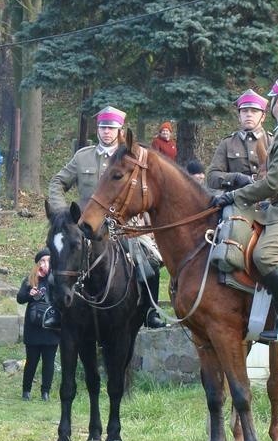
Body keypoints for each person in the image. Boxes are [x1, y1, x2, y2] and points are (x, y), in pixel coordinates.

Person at [212, 74, 278, 342]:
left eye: (271, 100)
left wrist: (234, 195)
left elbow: (272, 184)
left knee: (264, 255)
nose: (270, 104)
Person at [48, 105, 166, 329]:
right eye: (103, 127)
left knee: (148, 260)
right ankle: (54, 309)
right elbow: (57, 182)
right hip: (85, 225)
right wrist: (63, 213)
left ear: (120, 130)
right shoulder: (83, 157)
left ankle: (151, 309)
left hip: (122, 225)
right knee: (54, 256)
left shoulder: (129, 157)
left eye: (111, 128)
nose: (106, 132)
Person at [207, 89, 272, 192]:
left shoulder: (273, 142)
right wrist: (235, 178)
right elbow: (211, 177)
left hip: (268, 201)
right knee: (227, 209)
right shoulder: (228, 143)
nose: (249, 114)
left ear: (263, 117)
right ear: (239, 116)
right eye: (244, 111)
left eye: (254, 111)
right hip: (236, 201)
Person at [17, 249, 60, 402]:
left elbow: (63, 298)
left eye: (48, 260)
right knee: (32, 361)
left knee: (48, 362)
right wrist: (30, 294)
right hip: (33, 327)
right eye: (42, 261)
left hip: (51, 327)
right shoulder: (30, 280)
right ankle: (26, 391)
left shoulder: (57, 279)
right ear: (37, 264)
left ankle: (45, 392)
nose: (44, 264)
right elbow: (20, 298)